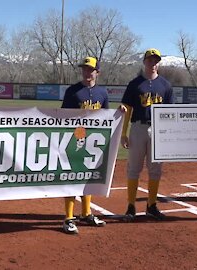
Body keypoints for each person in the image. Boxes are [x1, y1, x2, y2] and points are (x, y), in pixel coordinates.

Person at [120, 48, 174, 221]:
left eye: (156, 60)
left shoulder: (165, 85)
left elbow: (170, 113)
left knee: (155, 169)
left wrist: (168, 135)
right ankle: (131, 206)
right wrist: (123, 133)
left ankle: (151, 205)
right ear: (144, 62)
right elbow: (127, 109)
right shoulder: (134, 84)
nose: (153, 63)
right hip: (138, 128)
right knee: (134, 168)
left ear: (159, 63)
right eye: (150, 60)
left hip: (158, 130)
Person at [60, 56, 108, 234]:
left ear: (97, 72)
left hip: (93, 141)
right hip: (74, 139)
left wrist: (120, 112)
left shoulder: (102, 93)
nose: (87, 72)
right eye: (85, 69)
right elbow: (63, 117)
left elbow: (107, 118)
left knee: (89, 176)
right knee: (71, 176)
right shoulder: (73, 91)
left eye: (90, 69)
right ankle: (68, 218)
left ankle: (87, 213)